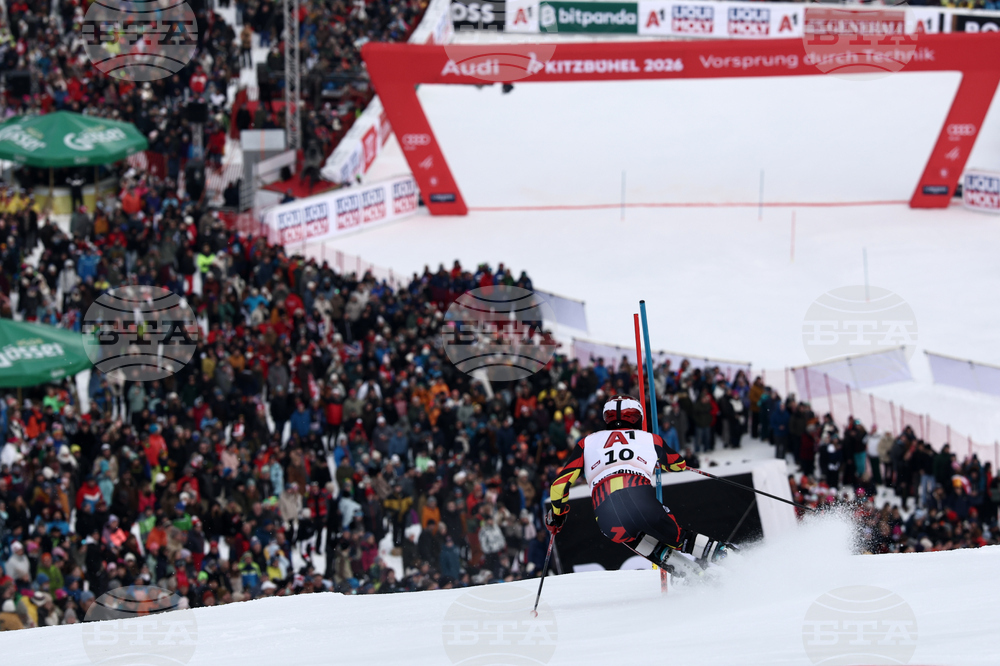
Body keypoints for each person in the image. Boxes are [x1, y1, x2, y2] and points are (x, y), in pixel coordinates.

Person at [544, 395, 734, 578]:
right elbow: (677, 464)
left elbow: (558, 486)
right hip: (640, 499)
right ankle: (728, 557)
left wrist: (557, 516)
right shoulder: (649, 438)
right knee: (679, 538)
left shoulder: (587, 442)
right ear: (637, 416)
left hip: (606, 515)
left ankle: (690, 574)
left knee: (634, 537)